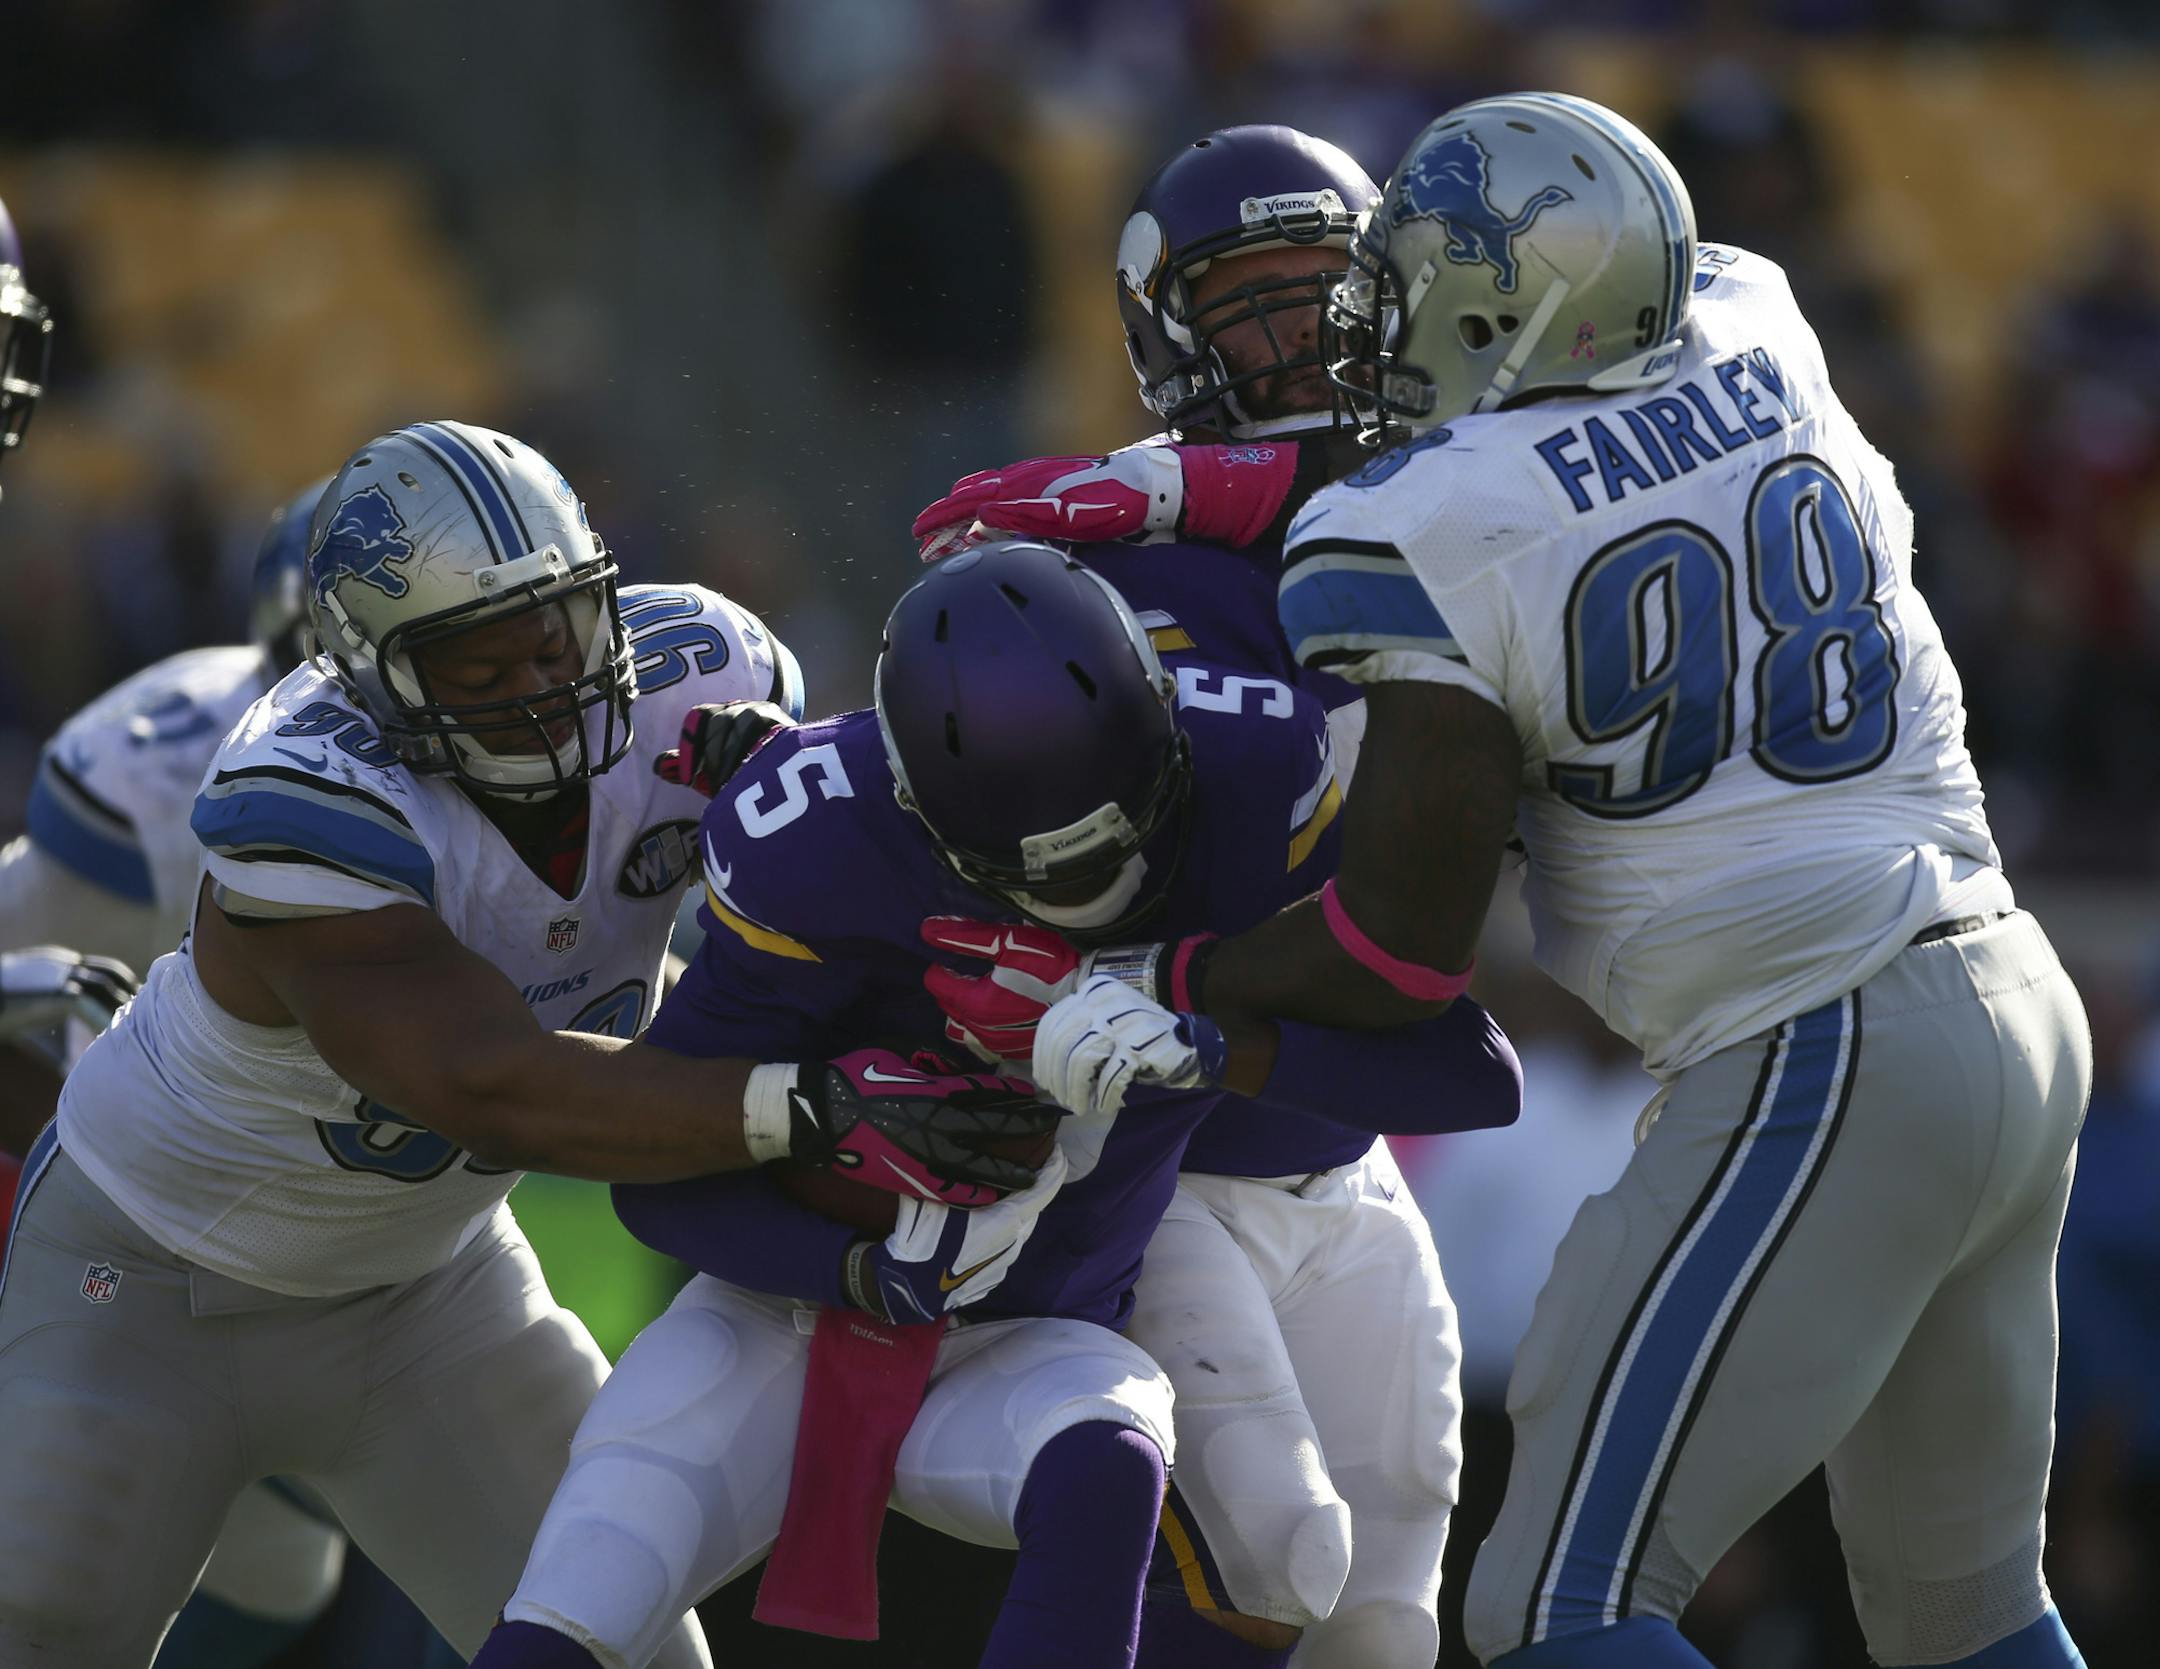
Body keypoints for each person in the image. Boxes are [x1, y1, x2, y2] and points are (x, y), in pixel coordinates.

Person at [960, 93, 2092, 1669]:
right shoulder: (1758, 317)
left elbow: (1398, 951)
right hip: (2015, 999)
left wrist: (1172, 982)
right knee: (1964, 1612)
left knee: (1556, 1607)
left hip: (1819, 1042)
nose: (1368, 327)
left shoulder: (1407, 528)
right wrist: (1186, 486)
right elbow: (1535, 452)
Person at [0, 418, 1044, 1667]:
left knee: (636, 1647)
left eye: (547, 641)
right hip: (145, 1277)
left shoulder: (706, 670)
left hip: (424, 1295)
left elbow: (851, 903)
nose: (536, 692)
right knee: (45, 1632)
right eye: (476, 672)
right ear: (375, 680)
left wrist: (794, 803)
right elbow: (485, 1085)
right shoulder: (305, 796)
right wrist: (810, 1105)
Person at [472, 540, 1521, 1669]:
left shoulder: (1257, 776)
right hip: (780, 1314)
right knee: (590, 1584)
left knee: (1220, 1511)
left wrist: (1209, 1034)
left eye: (1122, 846)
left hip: (1043, 1323)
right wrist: (833, 1165)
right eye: (1038, 879)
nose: (1089, 903)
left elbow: (1469, 1068)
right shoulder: (819, 844)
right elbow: (662, 1167)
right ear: (918, 817)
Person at [912, 125, 1484, 1668]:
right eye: (1256, 297)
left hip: (1347, 1159)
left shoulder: (1431, 501)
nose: (1303, 327)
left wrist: (1190, 476)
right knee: (1269, 1553)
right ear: (1173, 328)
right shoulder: (1133, 580)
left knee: (1386, 1614)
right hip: (1173, 1150)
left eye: (1331, 286)